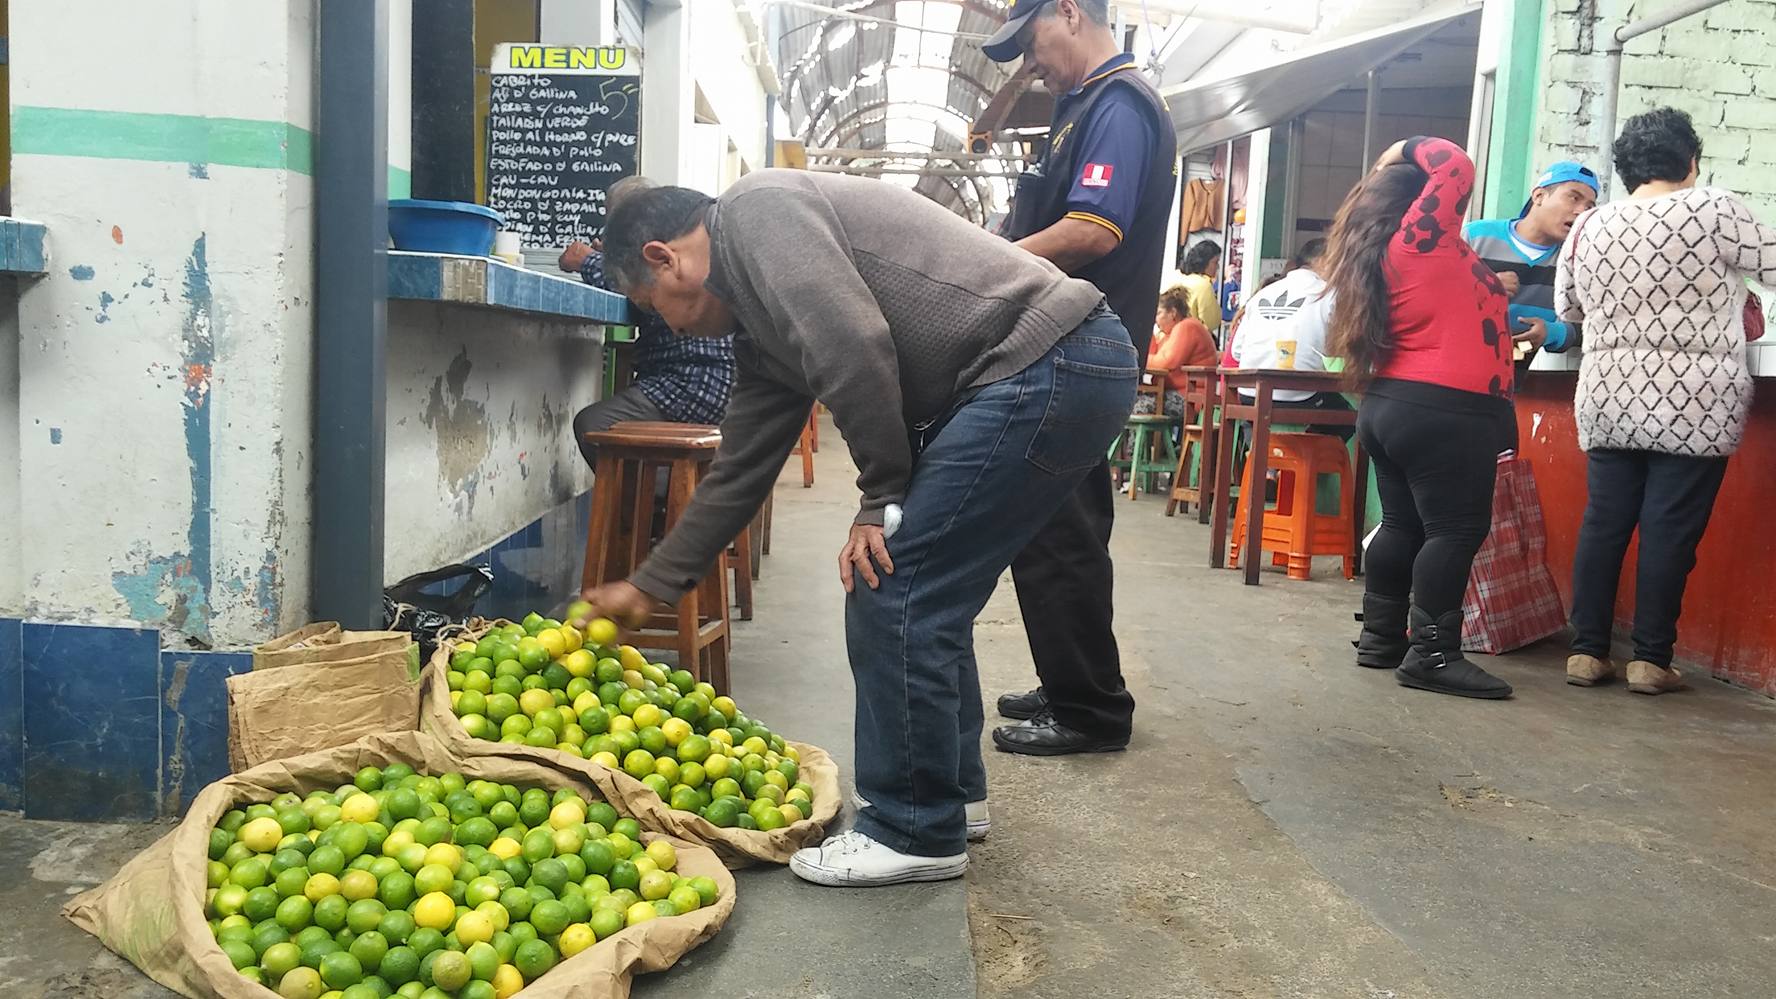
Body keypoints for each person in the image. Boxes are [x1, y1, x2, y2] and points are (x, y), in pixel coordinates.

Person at [575, 172, 1137, 887]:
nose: (666, 324)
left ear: (665, 258)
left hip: (1044, 360)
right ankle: (950, 797)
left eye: (651, 303)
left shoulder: (753, 213)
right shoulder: (759, 331)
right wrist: (650, 584)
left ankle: (913, 828)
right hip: (1054, 364)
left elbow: (852, 341)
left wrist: (881, 498)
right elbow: (740, 468)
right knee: (924, 589)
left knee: (893, 585)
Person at [981, 0, 1176, 756]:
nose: (1031, 64)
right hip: (1067, 341)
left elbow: (1093, 229)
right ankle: (1072, 681)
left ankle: (1090, 711)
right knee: (1058, 525)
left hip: (1083, 345)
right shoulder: (1082, 105)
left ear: (1068, 11)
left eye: (1031, 44)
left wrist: (987, 263)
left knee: (1059, 533)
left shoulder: (1119, 104)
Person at [1556, 107, 1776, 694]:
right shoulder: (1716, 208)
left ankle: (1586, 652)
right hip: (1695, 402)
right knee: (1668, 530)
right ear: (1691, 161)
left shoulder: (1589, 224)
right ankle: (1651, 661)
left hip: (1608, 393)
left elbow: (1568, 308)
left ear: (1625, 169)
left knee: (1603, 523)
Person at [1325, 136, 1515, 700]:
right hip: (1444, 409)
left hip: (1395, 406)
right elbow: (1455, 164)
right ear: (1418, 203)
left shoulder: (1385, 251)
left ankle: (1382, 637)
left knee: (1403, 525)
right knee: (1454, 530)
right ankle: (1432, 656)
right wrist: (1395, 153)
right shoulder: (1418, 241)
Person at [560, 178, 735, 469]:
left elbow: (630, 283)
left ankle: (656, 494)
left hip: (695, 384)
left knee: (594, 424)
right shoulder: (692, 242)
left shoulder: (659, 257)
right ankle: (673, 487)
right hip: (728, 388)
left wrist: (591, 261)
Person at [1464, 161, 1599, 358]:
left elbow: (1598, 325)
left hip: (1514, 369)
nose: (1581, 211)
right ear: (1539, 196)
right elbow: (1430, 297)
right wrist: (1480, 288)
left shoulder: (1578, 260)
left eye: (1589, 206)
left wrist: (1551, 334)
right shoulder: (1475, 237)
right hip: (1453, 365)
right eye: (1574, 198)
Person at [1227, 237, 1350, 439]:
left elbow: (1237, 352)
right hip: (1300, 397)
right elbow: (1342, 349)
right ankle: (1303, 457)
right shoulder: (1329, 294)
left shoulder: (1262, 294)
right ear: (1324, 261)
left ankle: (1276, 456)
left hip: (1250, 396)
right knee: (1351, 416)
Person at [1134, 287, 1215, 417]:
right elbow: (1154, 356)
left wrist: (1137, 358)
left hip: (1189, 398)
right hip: (1175, 393)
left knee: (1134, 405)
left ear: (1172, 312)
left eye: (1158, 313)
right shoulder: (1170, 334)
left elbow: (1166, 362)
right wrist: (1148, 334)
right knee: (1129, 401)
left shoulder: (1187, 327)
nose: (1155, 320)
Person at [1167, 240, 1223, 337]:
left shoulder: (1174, 276)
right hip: (1189, 337)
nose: (1217, 267)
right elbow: (1212, 322)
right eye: (1215, 262)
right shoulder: (1203, 285)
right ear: (1204, 262)